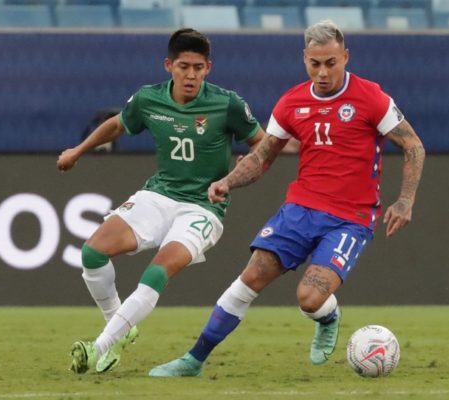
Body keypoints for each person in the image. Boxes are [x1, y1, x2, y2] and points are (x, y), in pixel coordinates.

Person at [149, 19, 426, 377]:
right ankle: (193, 360)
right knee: (250, 277)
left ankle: (327, 317)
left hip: (350, 217)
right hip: (299, 209)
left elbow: (413, 145)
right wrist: (228, 181)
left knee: (309, 298)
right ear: (304, 59)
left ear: (345, 56)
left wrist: (405, 200)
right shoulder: (292, 102)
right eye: (315, 64)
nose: (323, 72)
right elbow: (263, 155)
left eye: (331, 62)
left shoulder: (371, 97)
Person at [56, 28, 264, 374]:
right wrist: (78, 151)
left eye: (199, 67)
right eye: (184, 66)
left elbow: (262, 142)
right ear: (169, 65)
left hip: (203, 207)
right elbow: (118, 126)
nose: (191, 75)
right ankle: (121, 327)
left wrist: (246, 168)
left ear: (208, 68)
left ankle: (99, 346)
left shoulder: (226, 103)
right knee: (91, 254)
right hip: (158, 195)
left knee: (156, 272)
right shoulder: (149, 99)